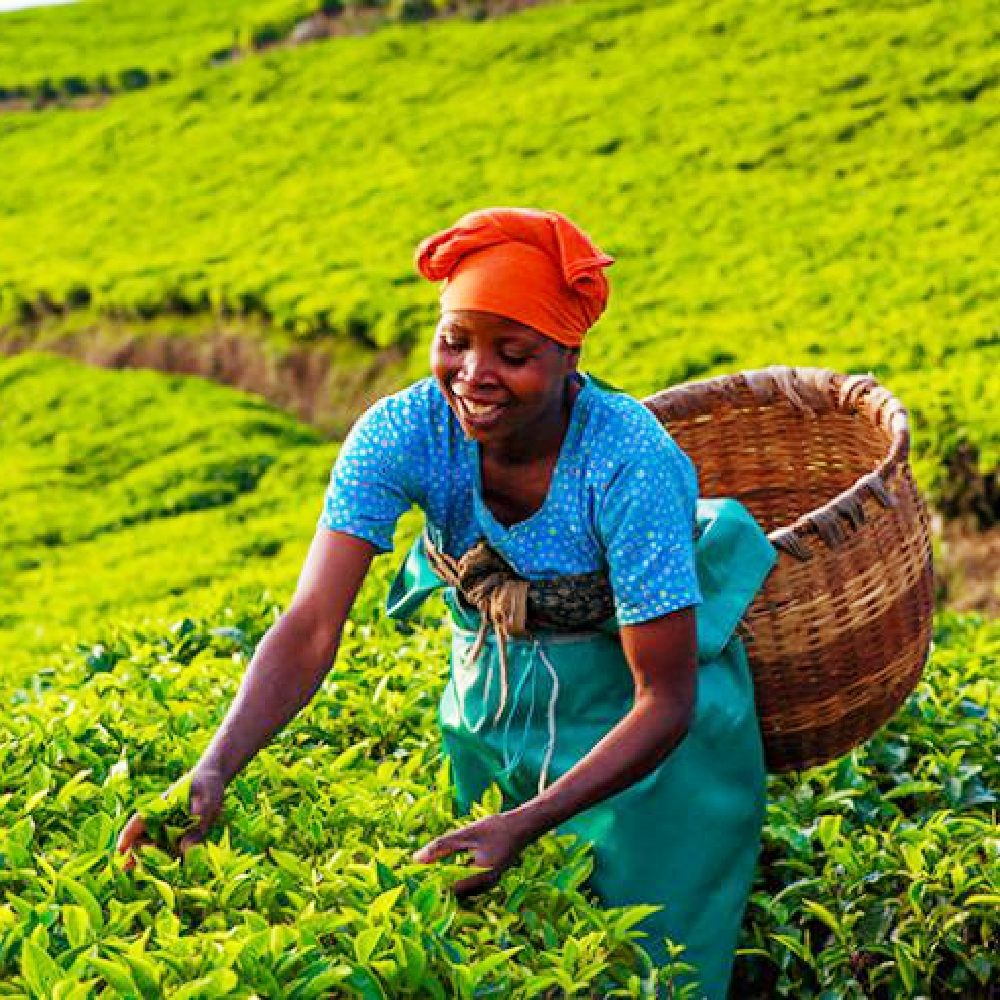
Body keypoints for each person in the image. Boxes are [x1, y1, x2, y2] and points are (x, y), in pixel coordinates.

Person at [118, 207, 776, 999]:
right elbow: (311, 625)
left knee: (648, 968)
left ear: (571, 354)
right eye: (455, 340)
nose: (472, 373)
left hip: (653, 768)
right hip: (493, 732)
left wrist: (526, 824)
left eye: (514, 352)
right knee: (516, 963)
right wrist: (215, 767)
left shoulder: (629, 460)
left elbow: (666, 699)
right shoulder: (403, 431)